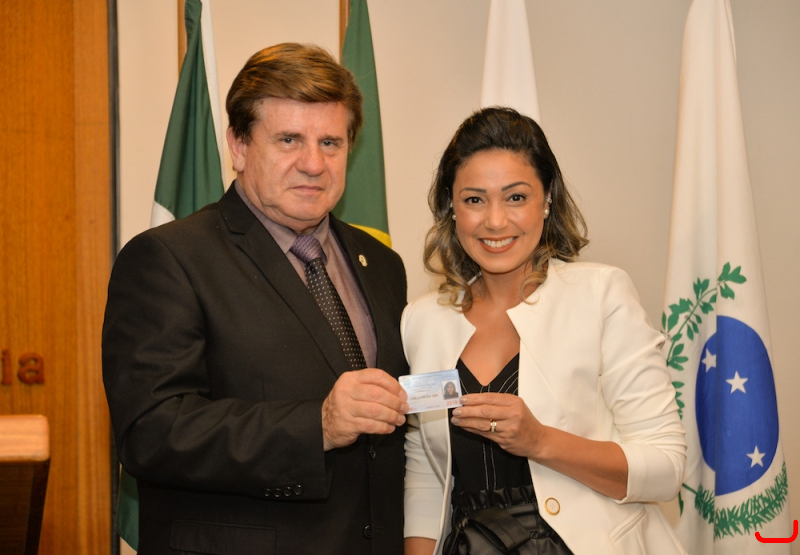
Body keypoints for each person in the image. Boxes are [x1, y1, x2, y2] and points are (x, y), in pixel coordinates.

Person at [103, 43, 409, 555]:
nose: (314, 163)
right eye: (289, 139)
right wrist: (317, 426)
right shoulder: (168, 258)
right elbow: (152, 432)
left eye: (330, 142)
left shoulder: (382, 265)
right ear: (239, 146)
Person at [402, 107, 687, 555]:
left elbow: (666, 468)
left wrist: (539, 441)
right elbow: (426, 472)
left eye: (516, 197)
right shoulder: (422, 320)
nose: (495, 221)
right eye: (474, 200)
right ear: (451, 208)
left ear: (547, 198)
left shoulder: (600, 295)